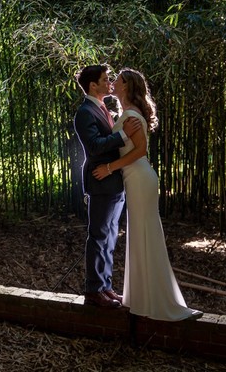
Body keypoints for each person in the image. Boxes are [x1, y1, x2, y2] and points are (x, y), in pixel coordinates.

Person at [93, 67, 203, 321]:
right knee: (140, 235)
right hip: (136, 178)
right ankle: (141, 298)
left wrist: (109, 167)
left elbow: (140, 151)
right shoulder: (125, 114)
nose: (112, 84)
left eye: (116, 81)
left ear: (127, 87)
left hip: (140, 177)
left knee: (145, 235)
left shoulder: (131, 115)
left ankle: (158, 301)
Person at [73, 64, 130, 309]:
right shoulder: (85, 112)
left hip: (114, 180)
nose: (110, 83)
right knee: (98, 236)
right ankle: (93, 290)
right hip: (101, 180)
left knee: (109, 237)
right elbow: (95, 146)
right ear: (93, 85)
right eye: (106, 80)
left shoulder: (103, 108)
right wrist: (123, 134)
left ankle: (105, 286)